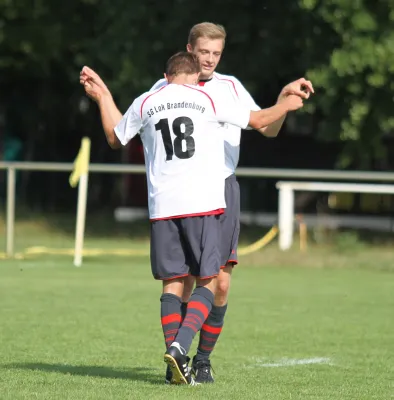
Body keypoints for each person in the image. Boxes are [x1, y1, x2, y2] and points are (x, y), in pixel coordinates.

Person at [80, 51, 305, 385]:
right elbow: (259, 122)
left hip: (162, 208)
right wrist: (287, 104)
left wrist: (103, 96)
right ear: (194, 76)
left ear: (166, 75)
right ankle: (180, 347)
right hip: (202, 204)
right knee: (209, 282)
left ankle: (176, 373)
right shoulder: (207, 98)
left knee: (173, 285)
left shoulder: (147, 100)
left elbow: (115, 137)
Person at [148, 22, 315, 383]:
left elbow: (266, 127)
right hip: (181, 193)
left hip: (221, 190)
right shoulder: (164, 88)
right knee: (184, 280)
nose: (208, 60)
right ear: (188, 50)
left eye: (215, 53)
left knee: (219, 282)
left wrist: (283, 103)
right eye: (202, 52)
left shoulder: (230, 87)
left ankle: (201, 359)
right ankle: (177, 356)